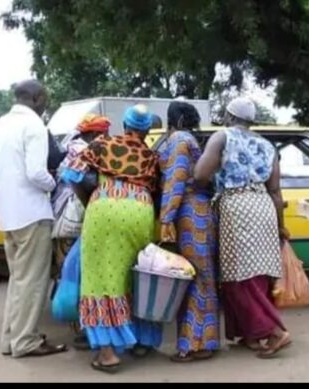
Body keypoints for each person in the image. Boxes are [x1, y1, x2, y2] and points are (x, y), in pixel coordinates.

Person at [62, 104, 160, 372]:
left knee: (100, 278)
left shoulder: (103, 144)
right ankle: (141, 340)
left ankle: (107, 353)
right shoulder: (151, 155)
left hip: (105, 207)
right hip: (141, 210)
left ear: (125, 126)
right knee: (135, 275)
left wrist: (90, 201)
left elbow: (71, 174)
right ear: (147, 130)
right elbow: (159, 192)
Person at [194, 96, 291, 358]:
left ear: (228, 116)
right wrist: (281, 227)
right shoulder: (266, 145)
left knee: (238, 276)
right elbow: (275, 191)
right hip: (264, 207)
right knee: (258, 273)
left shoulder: (222, 137)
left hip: (237, 206)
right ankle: (251, 334)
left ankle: (274, 331)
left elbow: (201, 175)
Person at [0, 79, 68, 358]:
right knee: (33, 283)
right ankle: (27, 342)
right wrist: (55, 182)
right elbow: (36, 173)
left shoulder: (0, 124)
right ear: (36, 98)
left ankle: (10, 340)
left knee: (18, 281)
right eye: (45, 98)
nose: (46, 103)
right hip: (32, 214)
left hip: (9, 215)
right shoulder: (34, 125)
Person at [158, 101, 220, 363]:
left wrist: (166, 219)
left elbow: (176, 180)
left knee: (196, 277)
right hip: (198, 211)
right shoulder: (191, 139)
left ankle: (197, 344)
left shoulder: (179, 139)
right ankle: (203, 340)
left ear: (174, 120)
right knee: (200, 276)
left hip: (188, 213)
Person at [50, 114, 111, 349]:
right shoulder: (86, 150)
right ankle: (84, 329)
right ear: (97, 134)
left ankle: (79, 326)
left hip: (62, 218)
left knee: (68, 274)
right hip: (78, 219)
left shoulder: (70, 146)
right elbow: (81, 181)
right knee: (83, 275)